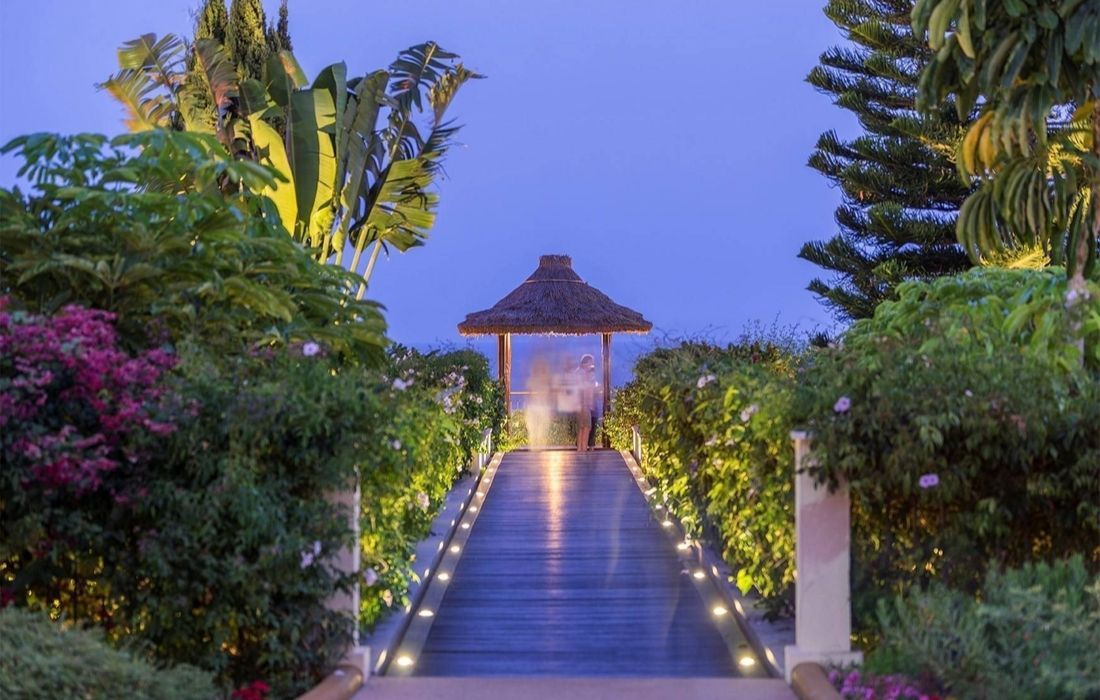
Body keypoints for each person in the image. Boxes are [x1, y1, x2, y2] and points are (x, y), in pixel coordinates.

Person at [575, 354, 597, 452]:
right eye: (591, 363)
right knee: (586, 427)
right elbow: (584, 388)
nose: (592, 365)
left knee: (582, 428)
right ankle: (583, 451)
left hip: (580, 405)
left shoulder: (578, 373)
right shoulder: (582, 374)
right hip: (583, 404)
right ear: (585, 363)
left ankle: (580, 451)